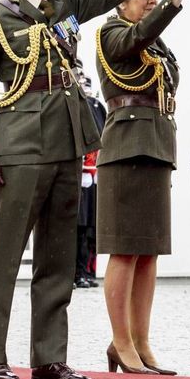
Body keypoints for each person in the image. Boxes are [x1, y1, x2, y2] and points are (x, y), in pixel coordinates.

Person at [0, 0, 190, 379]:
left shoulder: (61, 7)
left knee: (58, 255)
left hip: (68, 140)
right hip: (21, 144)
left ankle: (49, 358)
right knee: (5, 255)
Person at [95, 0, 190, 376]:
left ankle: (140, 342)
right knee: (124, 248)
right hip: (125, 145)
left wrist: (167, 5)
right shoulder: (112, 32)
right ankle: (121, 342)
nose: (152, 1)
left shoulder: (155, 42)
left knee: (149, 251)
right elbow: (136, 39)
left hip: (156, 143)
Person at [75, 69, 106, 290]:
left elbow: (101, 137)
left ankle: (86, 271)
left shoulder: (96, 107)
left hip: (93, 176)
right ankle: (75, 273)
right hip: (77, 174)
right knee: (75, 228)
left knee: (89, 229)